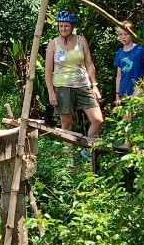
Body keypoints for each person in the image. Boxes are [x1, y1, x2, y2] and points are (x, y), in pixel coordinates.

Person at [44, 10, 103, 158]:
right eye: (61, 26)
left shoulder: (81, 40)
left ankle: (87, 150)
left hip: (82, 84)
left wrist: (94, 85)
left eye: (66, 26)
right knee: (66, 124)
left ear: (72, 26)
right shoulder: (53, 44)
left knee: (97, 119)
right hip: (62, 86)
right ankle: (68, 159)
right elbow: (48, 70)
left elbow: (89, 64)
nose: (63, 29)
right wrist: (51, 92)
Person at [113, 20, 144, 113]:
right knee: (126, 120)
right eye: (120, 34)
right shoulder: (119, 53)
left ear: (132, 34)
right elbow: (119, 75)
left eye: (126, 34)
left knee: (138, 119)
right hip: (124, 91)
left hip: (138, 90)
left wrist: (140, 88)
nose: (123, 37)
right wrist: (117, 94)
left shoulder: (140, 50)